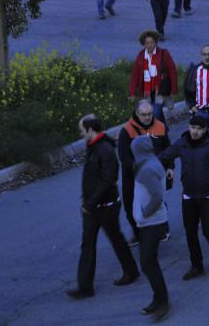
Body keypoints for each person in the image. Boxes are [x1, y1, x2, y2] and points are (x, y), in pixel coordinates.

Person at [67, 114, 139, 300]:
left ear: (91, 130)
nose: (81, 134)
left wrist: (89, 203)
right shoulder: (94, 146)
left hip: (105, 207)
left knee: (116, 239)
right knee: (88, 244)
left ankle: (131, 271)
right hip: (93, 206)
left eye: (82, 131)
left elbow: (109, 180)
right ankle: (85, 287)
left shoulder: (105, 149)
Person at [158, 116, 209, 280]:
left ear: (205, 130)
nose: (195, 131)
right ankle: (197, 266)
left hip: (207, 195)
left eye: (199, 129)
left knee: (208, 231)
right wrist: (148, 164)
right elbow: (165, 155)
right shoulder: (182, 143)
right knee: (190, 232)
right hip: (189, 195)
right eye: (192, 127)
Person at [117, 99, 170, 246]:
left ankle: (162, 229)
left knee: (158, 200)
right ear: (136, 113)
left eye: (150, 114)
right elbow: (123, 156)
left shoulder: (160, 126)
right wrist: (137, 169)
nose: (147, 117)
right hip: (133, 175)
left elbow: (167, 148)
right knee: (130, 205)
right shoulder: (126, 131)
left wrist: (170, 166)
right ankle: (138, 233)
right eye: (143, 114)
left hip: (155, 173)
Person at [129, 135, 170, 321]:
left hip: (151, 222)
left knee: (148, 263)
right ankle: (158, 298)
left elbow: (156, 197)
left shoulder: (147, 169)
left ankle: (163, 302)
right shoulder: (152, 162)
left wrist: (142, 214)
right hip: (151, 222)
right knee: (149, 262)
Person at [129, 30, 178, 120]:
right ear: (144, 44)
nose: (149, 45)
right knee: (156, 113)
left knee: (155, 113)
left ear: (155, 42)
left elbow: (172, 71)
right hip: (146, 92)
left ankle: (157, 131)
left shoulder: (164, 53)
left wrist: (174, 90)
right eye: (147, 43)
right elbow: (135, 74)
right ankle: (164, 130)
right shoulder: (141, 55)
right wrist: (132, 92)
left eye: (151, 42)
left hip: (160, 91)